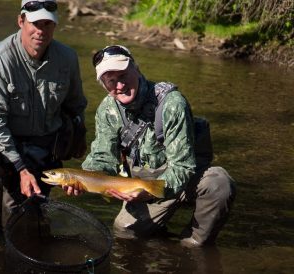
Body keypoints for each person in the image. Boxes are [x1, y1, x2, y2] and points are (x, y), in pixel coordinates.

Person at [0, 0, 87, 251]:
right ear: (21, 21)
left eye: (47, 24)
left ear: (54, 26)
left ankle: (26, 218)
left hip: (41, 149)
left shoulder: (67, 58)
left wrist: (80, 144)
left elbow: (75, 106)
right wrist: (20, 168)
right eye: (35, 24)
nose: (41, 31)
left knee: (28, 226)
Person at [80, 45, 236, 248]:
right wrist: (84, 180)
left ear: (136, 68)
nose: (119, 85)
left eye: (123, 75)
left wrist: (149, 191)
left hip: (186, 180)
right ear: (103, 84)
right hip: (142, 186)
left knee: (219, 184)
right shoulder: (107, 110)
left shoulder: (171, 104)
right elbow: (103, 157)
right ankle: (162, 242)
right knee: (125, 232)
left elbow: (182, 167)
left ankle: (193, 245)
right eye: (111, 80)